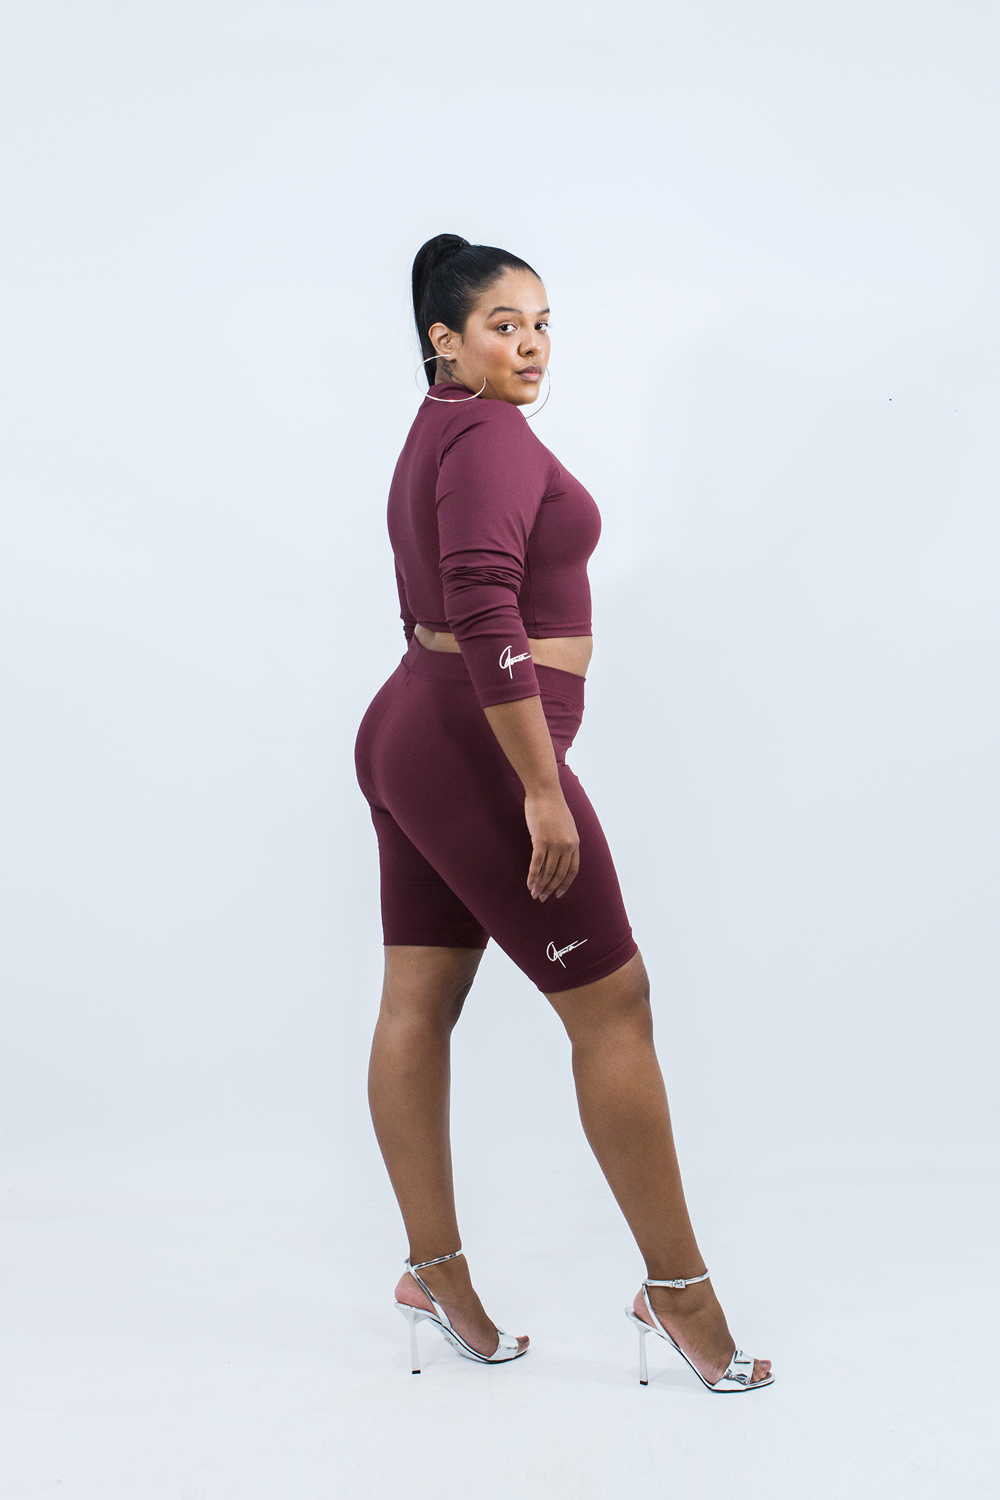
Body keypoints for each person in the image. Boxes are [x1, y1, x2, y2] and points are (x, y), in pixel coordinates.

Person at [354, 234, 773, 1392]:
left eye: (541, 323)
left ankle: (435, 1273)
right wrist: (539, 788)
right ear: (445, 339)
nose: (531, 345)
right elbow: (484, 603)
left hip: (414, 728)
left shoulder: (441, 424)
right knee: (614, 1008)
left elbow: (446, 594)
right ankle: (679, 1292)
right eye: (504, 325)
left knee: (417, 1004)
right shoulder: (487, 434)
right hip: (477, 752)